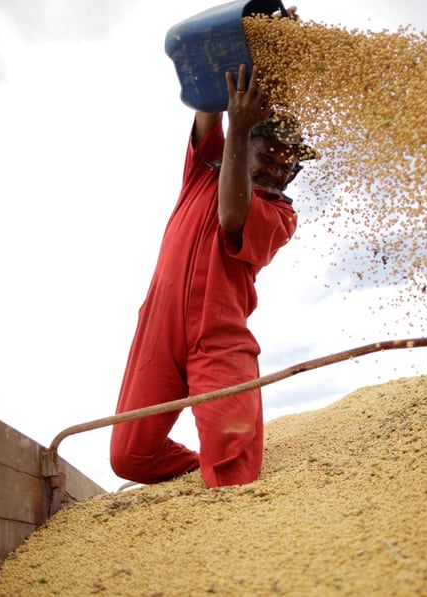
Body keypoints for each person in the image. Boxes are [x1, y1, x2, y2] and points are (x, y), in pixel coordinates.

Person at [108, 58, 319, 488]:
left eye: (287, 166)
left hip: (219, 338)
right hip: (158, 329)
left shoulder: (280, 215)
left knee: (233, 473)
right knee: (129, 457)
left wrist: (240, 128)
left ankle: (223, 483)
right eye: (269, 157)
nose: (277, 170)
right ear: (242, 147)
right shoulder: (204, 170)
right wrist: (231, 59)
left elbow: (231, 216)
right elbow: (207, 105)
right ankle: (199, 469)